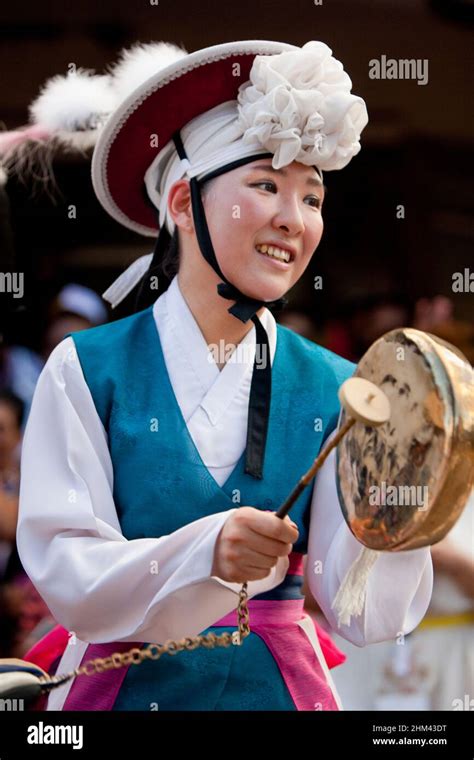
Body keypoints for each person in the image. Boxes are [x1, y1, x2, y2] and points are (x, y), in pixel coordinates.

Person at [17, 39, 433, 711]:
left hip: (275, 691)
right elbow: (66, 567)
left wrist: (408, 509)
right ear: (183, 202)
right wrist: (206, 550)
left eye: (313, 196)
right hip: (120, 686)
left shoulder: (341, 384)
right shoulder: (87, 370)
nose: (292, 221)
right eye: (266, 186)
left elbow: (362, 614)